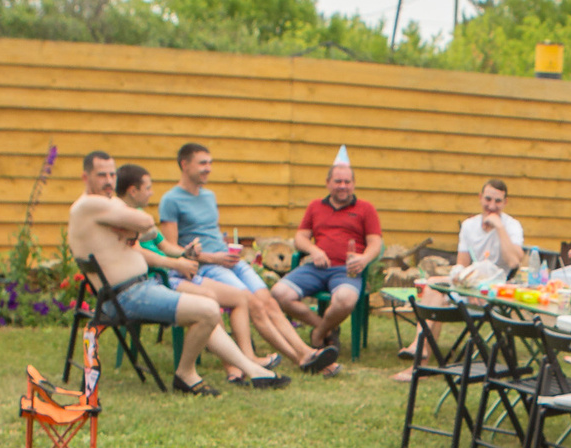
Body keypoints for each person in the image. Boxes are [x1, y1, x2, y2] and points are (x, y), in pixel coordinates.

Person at [69, 152, 283, 396]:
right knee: (208, 310)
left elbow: (148, 230)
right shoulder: (92, 205)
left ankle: (252, 370)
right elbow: (146, 221)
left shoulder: (102, 206)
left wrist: (131, 229)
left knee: (205, 310)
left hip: (136, 289)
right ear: (85, 177)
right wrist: (134, 226)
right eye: (101, 175)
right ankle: (186, 374)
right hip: (127, 296)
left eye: (112, 175)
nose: (109, 181)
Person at [158, 143, 328, 375]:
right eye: (202, 163)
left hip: (229, 261)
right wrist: (214, 258)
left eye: (210, 163)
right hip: (208, 267)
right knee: (253, 303)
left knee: (268, 301)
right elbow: (173, 250)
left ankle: (305, 351)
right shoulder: (171, 200)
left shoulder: (209, 196)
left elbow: (209, 232)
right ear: (184, 164)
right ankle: (299, 358)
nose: (208, 168)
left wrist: (226, 249)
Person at [275, 153, 383, 358]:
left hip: (347, 270)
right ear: (328, 183)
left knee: (345, 300)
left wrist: (364, 259)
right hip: (317, 268)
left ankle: (318, 334)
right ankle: (327, 329)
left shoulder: (365, 209)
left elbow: (375, 243)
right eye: (338, 181)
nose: (343, 186)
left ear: (353, 184)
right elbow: (300, 237)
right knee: (279, 293)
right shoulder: (315, 206)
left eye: (347, 182)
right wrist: (314, 250)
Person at [452, 179, 526, 285]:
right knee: (432, 283)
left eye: (498, 201)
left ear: (505, 202)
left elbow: (513, 262)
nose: (492, 206)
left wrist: (499, 226)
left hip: (500, 285)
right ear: (480, 198)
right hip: (473, 283)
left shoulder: (513, 225)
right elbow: (462, 265)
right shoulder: (468, 225)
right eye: (488, 199)